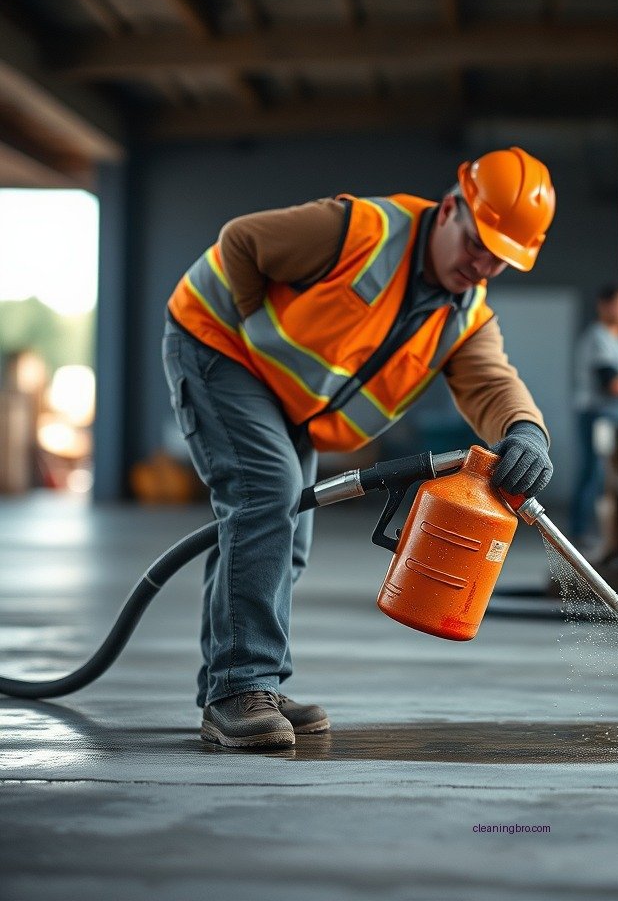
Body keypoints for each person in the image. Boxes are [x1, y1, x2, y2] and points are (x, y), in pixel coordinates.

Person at [162, 147, 556, 748]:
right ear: (452, 208)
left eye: (500, 260)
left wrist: (525, 431)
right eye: (478, 243)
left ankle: (242, 681)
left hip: (280, 397)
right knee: (268, 494)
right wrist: (254, 325)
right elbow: (241, 240)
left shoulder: (464, 318)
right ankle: (239, 686)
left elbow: (494, 385)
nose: (482, 266)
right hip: (216, 344)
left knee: (285, 530)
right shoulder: (362, 230)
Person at [570, 284, 618, 545]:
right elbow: (613, 384)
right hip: (597, 415)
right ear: (604, 306)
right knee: (593, 472)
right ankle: (581, 530)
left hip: (614, 417)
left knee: (609, 475)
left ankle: (605, 532)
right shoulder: (598, 338)